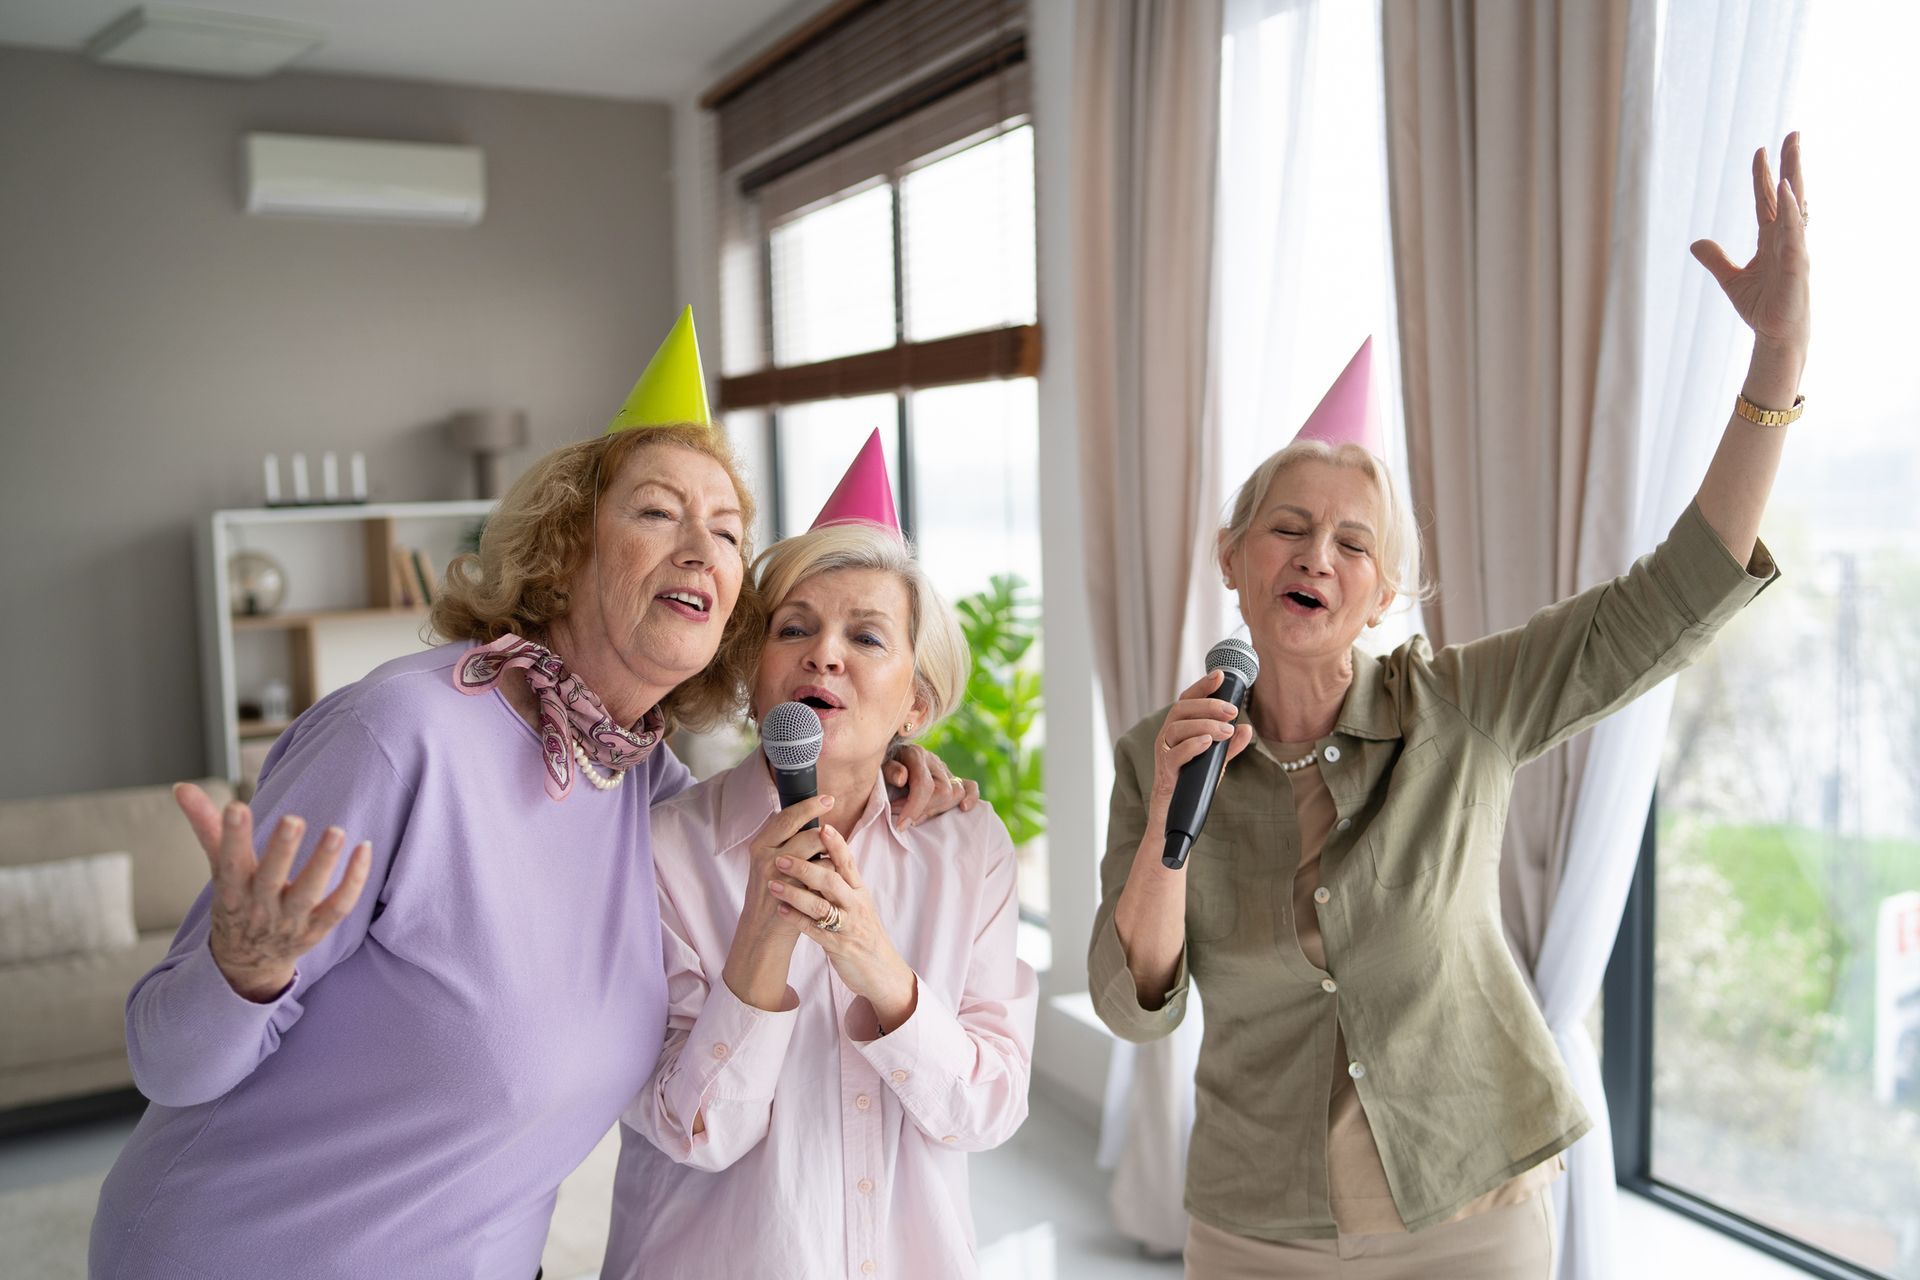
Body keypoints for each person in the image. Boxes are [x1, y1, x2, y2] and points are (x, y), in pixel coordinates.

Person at [90, 313, 970, 1279]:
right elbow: (169, 1065)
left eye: (726, 533)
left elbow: (770, 802)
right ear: (564, 549)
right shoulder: (400, 736)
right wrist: (241, 971)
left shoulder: (649, 791)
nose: (701, 550)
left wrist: (886, 766)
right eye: (656, 512)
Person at [1089, 134, 1811, 1277]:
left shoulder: (1459, 707)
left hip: (1471, 1212)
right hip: (1252, 1224)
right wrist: (1170, 833)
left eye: (1352, 540)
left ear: (1379, 593)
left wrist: (1775, 362)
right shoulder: (1156, 755)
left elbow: (1673, 595)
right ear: (1232, 555)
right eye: (1286, 525)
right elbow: (1138, 1009)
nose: (1314, 551)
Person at [602, 431, 1037, 1280]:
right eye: (793, 629)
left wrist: (876, 964)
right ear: (753, 677)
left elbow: (986, 1111)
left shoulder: (968, 850)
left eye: (867, 637)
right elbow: (695, 1130)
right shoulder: (663, 851)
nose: (824, 652)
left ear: (915, 701)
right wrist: (764, 937)